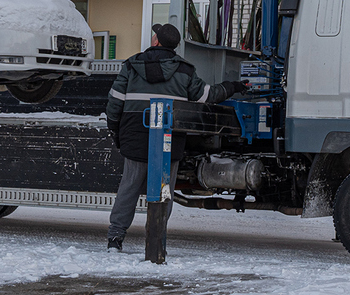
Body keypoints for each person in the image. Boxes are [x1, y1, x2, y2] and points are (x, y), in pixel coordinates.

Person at [103, 22, 246, 251]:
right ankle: (156, 238)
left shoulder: (131, 65)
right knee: (163, 189)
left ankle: (115, 238)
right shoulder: (185, 70)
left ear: (156, 41)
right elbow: (207, 96)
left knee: (129, 187)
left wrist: (116, 132)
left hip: (134, 134)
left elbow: (115, 103)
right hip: (169, 138)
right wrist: (233, 85)